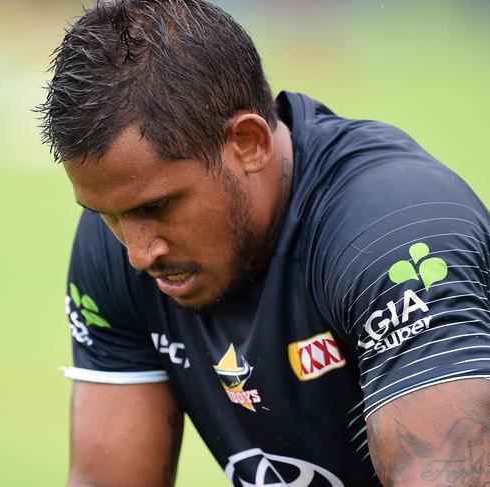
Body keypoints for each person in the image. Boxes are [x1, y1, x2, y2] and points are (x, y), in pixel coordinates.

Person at [38, 1, 490, 485]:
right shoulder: (123, 242)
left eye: (158, 207)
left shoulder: (394, 235)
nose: (138, 252)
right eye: (107, 215)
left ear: (249, 143)